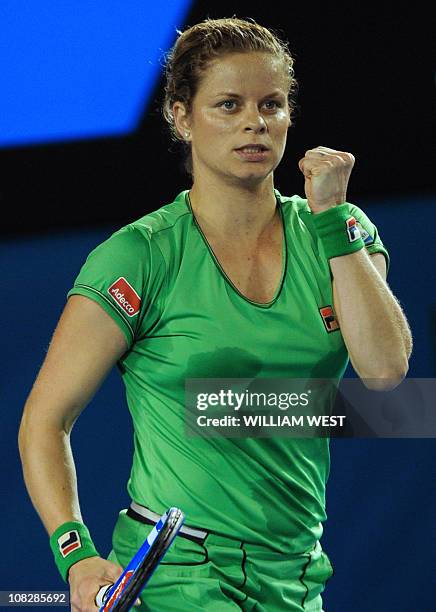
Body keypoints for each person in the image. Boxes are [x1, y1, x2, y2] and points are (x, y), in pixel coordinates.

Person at [18, 17, 412, 612]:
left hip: (298, 573)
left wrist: (332, 218)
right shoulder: (139, 255)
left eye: (272, 104)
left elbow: (385, 372)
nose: (256, 122)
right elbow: (45, 421)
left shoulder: (341, 232)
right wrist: (74, 555)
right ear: (181, 118)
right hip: (181, 573)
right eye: (229, 105)